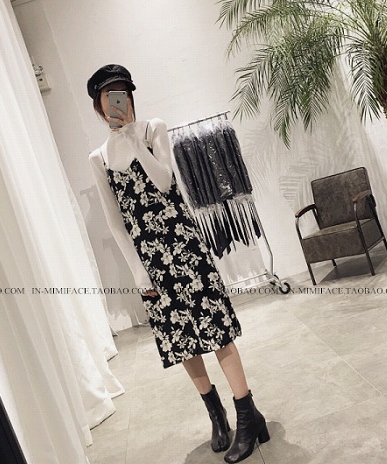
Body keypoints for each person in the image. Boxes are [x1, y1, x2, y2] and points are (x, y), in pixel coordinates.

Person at [87, 64, 269, 463]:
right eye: (109, 96)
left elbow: (165, 182)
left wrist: (133, 139)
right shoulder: (98, 158)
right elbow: (116, 223)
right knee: (182, 339)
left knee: (216, 329)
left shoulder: (153, 129)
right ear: (99, 107)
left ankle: (247, 414)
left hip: (184, 246)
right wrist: (138, 272)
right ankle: (217, 414)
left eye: (123, 93)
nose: (119, 102)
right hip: (151, 261)